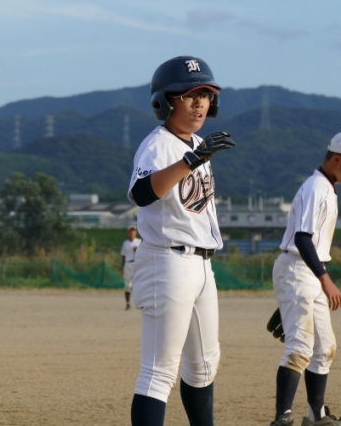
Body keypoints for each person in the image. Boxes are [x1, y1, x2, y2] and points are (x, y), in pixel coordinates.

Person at [126, 55, 235, 426]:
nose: (199, 103)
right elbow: (142, 193)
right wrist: (191, 160)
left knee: (204, 365)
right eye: (189, 95)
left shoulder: (200, 143)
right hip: (167, 261)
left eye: (205, 95)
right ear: (165, 101)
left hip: (202, 263)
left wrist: (197, 154)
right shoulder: (158, 145)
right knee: (159, 370)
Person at [267, 131, 341, 426]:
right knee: (300, 347)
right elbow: (302, 239)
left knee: (325, 347)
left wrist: (316, 281)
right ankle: (282, 419)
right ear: (337, 159)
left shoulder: (327, 187)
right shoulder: (315, 187)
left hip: (307, 272)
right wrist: (325, 279)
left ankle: (316, 416)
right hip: (298, 268)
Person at [120, 225, 142, 310]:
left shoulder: (139, 242)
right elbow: (123, 256)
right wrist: (122, 268)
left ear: (136, 232)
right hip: (128, 264)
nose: (132, 232)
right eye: (130, 231)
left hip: (137, 264)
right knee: (127, 285)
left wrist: (138, 250)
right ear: (128, 232)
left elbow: (144, 254)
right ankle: (128, 304)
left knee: (138, 284)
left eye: (133, 231)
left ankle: (140, 303)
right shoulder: (125, 243)